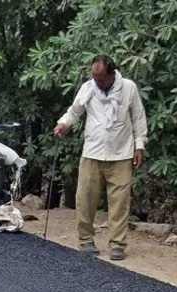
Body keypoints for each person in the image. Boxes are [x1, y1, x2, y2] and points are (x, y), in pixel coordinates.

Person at [54, 54, 148, 261]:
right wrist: (63, 124)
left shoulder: (128, 88)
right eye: (95, 78)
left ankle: (117, 244)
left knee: (119, 202)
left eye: (101, 79)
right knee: (85, 198)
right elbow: (75, 111)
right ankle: (86, 239)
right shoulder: (88, 88)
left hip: (121, 152)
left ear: (112, 74)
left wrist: (139, 146)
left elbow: (138, 118)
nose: (97, 82)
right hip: (92, 152)